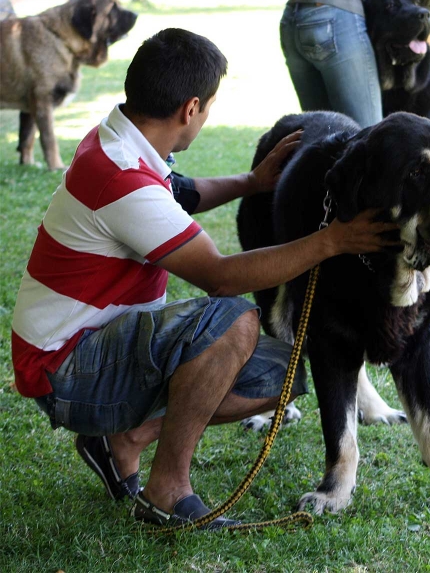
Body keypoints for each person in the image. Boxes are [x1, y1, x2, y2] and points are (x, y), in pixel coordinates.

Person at [11, 28, 401, 529]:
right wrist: (333, 241)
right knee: (234, 321)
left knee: (282, 373)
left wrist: (253, 183)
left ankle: (123, 439)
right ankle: (167, 490)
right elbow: (220, 277)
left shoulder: (120, 138)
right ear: (191, 109)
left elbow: (179, 191)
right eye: (211, 105)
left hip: (83, 347)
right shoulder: (121, 177)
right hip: (62, 366)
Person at [279, 0, 430, 127]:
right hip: (338, 12)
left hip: (293, 14)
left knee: (321, 135)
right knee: (368, 140)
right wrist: (425, 12)